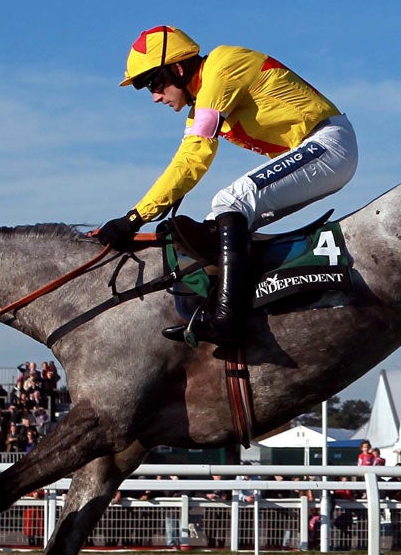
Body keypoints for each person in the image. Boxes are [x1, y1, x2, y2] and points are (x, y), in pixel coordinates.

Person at [97, 25, 358, 346]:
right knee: (212, 226)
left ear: (178, 68)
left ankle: (227, 321)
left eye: (154, 82)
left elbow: (196, 155)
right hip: (316, 149)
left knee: (230, 201)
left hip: (329, 144)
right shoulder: (201, 105)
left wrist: (134, 218)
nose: (154, 96)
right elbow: (185, 162)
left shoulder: (222, 67)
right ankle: (235, 307)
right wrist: (139, 215)